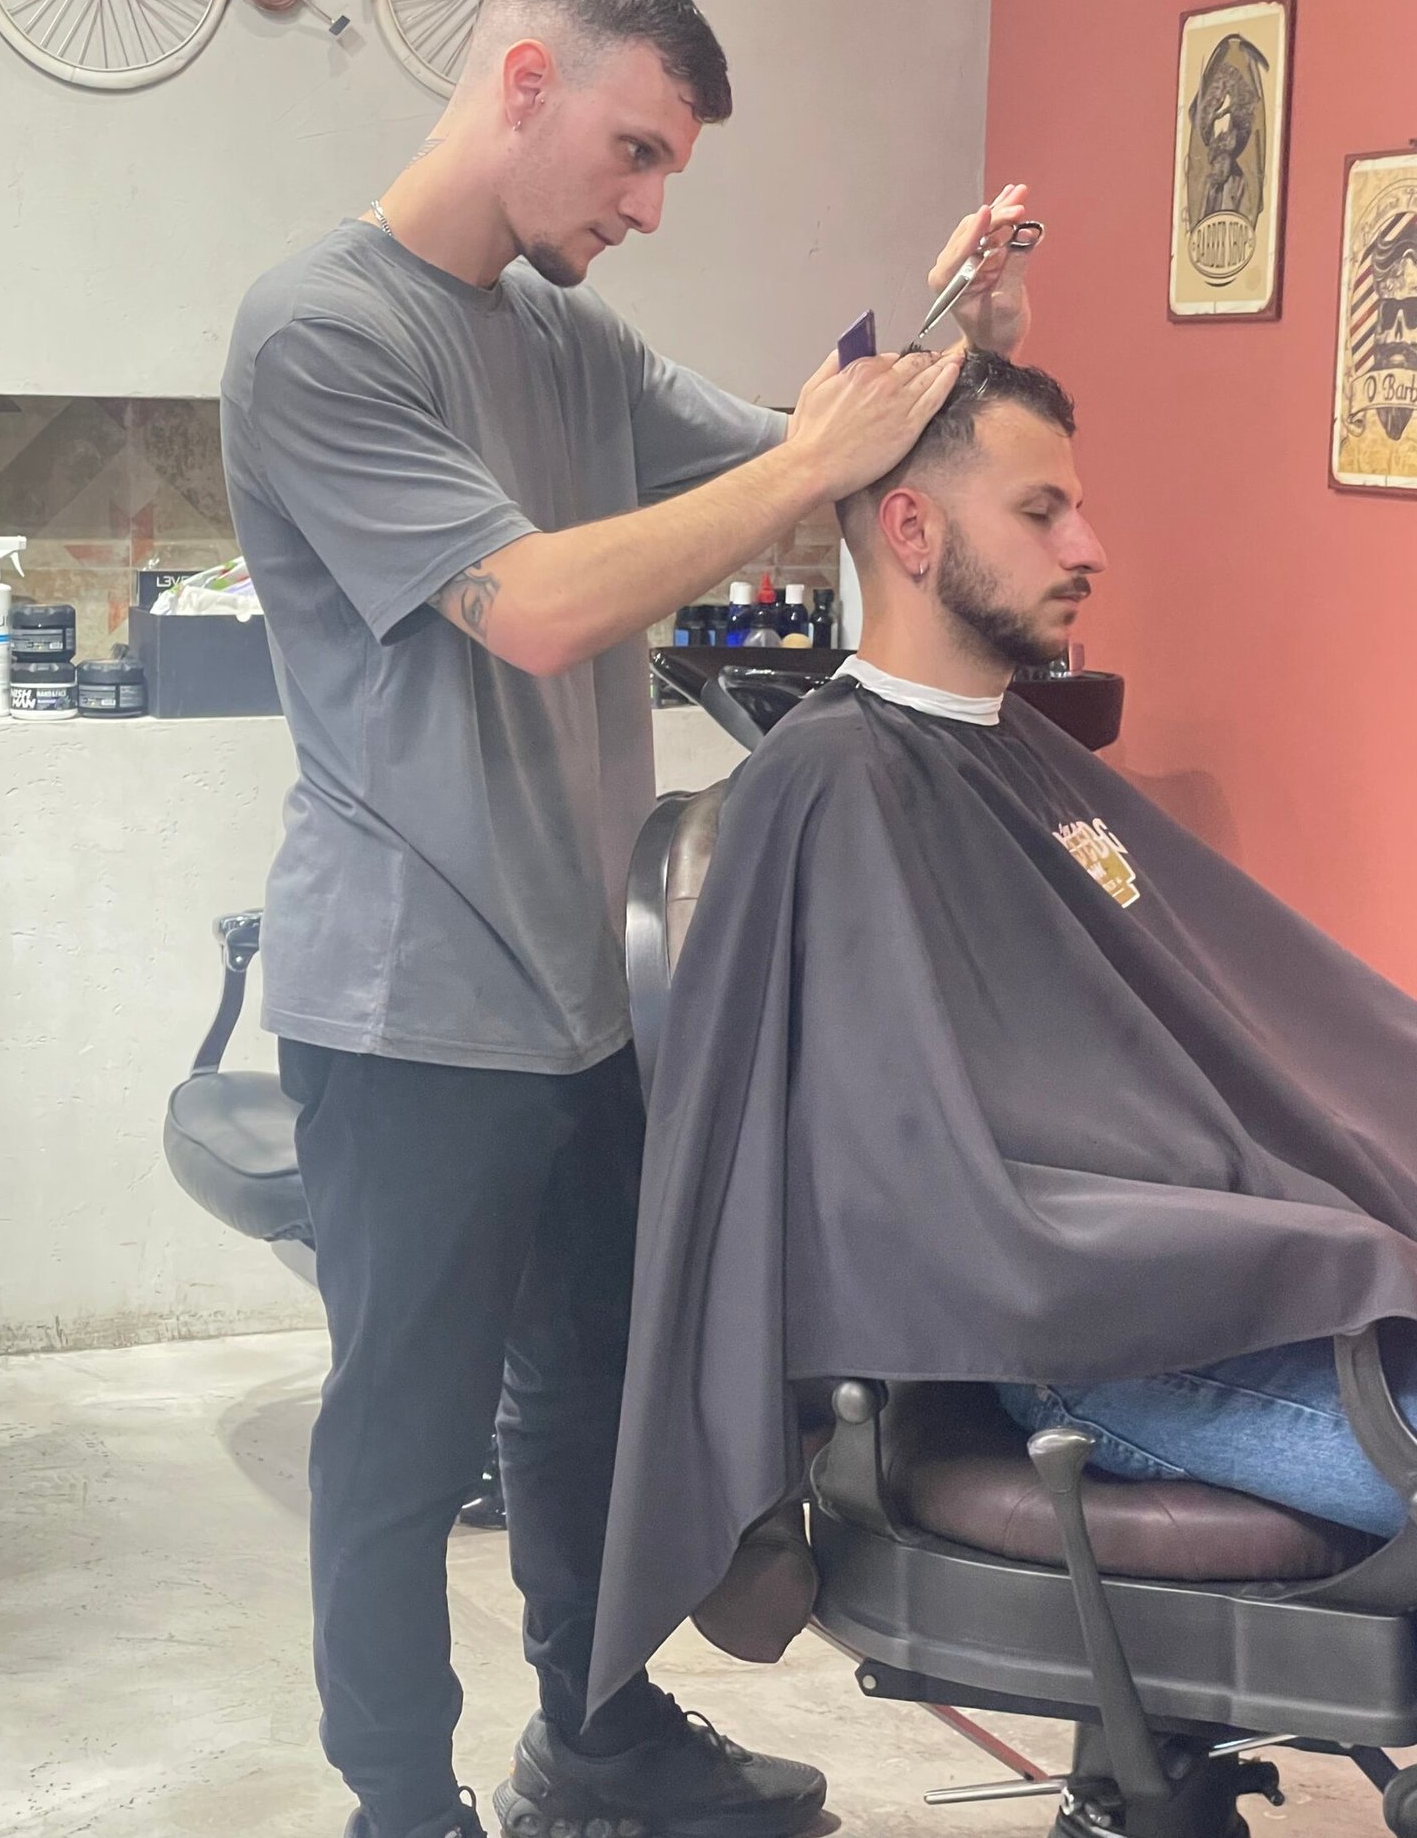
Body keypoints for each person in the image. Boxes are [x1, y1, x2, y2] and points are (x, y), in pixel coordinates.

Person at [220, 0, 1036, 1838]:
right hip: (409, 1002)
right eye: (639, 151)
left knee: (585, 1403)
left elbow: (802, 457)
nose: (653, 203)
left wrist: (959, 341)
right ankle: (399, 1802)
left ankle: (592, 1741)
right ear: (526, 83)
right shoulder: (320, 331)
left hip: (581, 989)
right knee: (405, 1441)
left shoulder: (566, 336)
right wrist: (806, 465)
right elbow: (533, 603)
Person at [586, 349, 1417, 1717]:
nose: (1089, 546)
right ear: (913, 530)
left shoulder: (1017, 755)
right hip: (1096, 1339)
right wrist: (1296, 1226)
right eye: (1042, 512)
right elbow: (916, 1185)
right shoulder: (829, 788)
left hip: (1239, 1285)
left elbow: (1247, 1023)